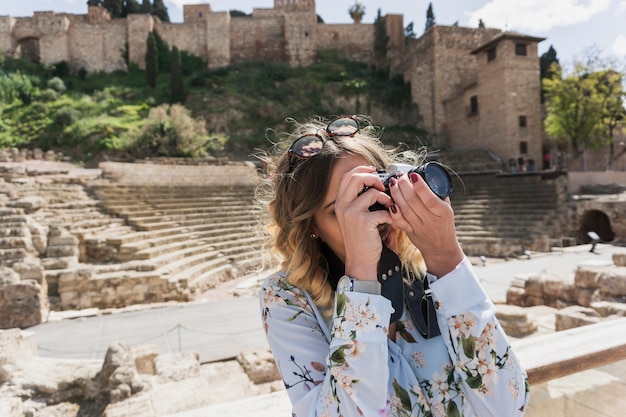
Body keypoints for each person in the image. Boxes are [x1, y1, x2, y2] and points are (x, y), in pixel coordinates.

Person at [257, 115, 529, 417]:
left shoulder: (430, 273)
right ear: (312, 225)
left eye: (377, 195)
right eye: (347, 209)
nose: (375, 217)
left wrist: (447, 257)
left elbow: (508, 405)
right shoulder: (286, 297)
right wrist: (362, 278)